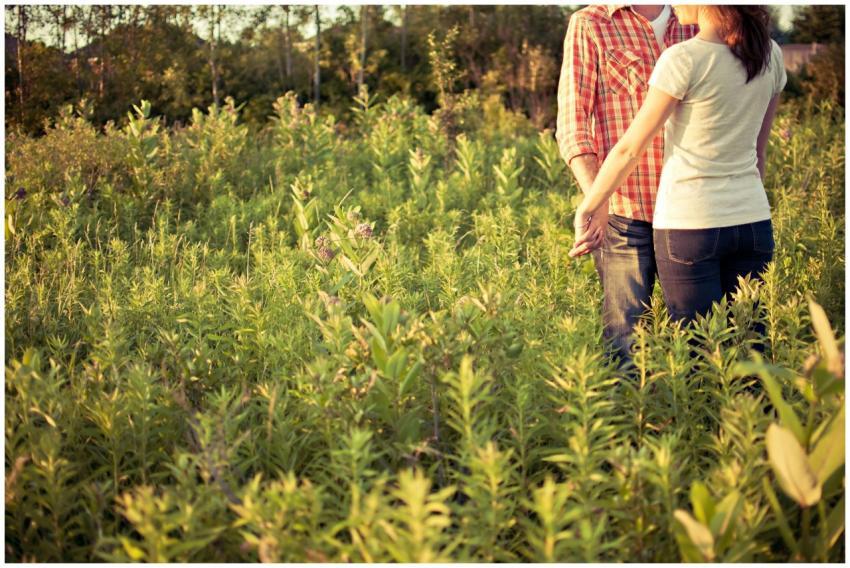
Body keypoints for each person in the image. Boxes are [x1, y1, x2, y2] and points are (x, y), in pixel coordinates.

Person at [569, 6, 786, 336]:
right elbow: (758, 152)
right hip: (752, 221)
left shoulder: (683, 57)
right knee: (748, 343)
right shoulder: (771, 54)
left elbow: (630, 149)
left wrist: (588, 205)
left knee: (699, 349)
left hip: (690, 224)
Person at [556, 5, 697, 365]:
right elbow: (572, 126)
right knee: (626, 340)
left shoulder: (701, 20)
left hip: (692, 212)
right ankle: (627, 418)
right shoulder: (591, 24)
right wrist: (597, 198)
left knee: (697, 336)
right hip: (624, 211)